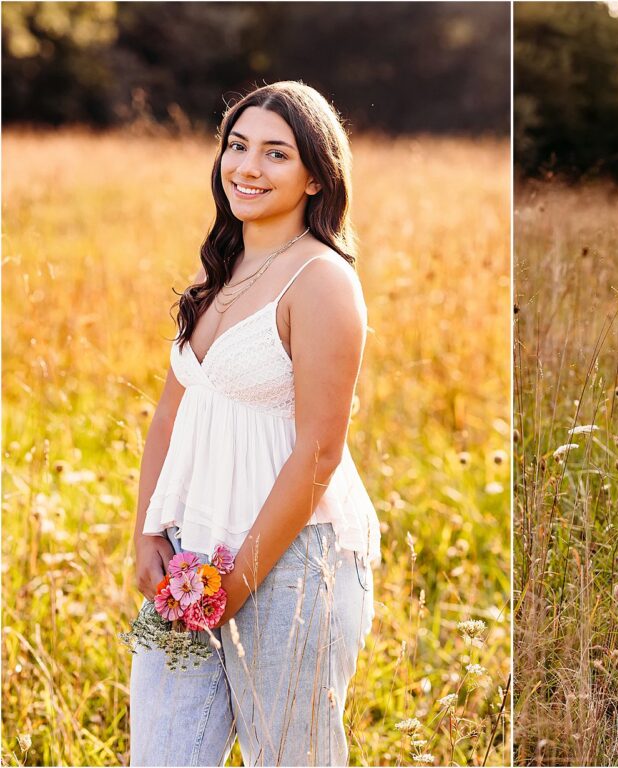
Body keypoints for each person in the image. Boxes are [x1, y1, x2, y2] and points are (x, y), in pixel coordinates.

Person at [129, 81, 381, 766]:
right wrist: (149, 528)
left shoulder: (322, 281)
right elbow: (172, 410)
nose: (246, 167)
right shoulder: (225, 267)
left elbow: (320, 452)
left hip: (292, 564)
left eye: (275, 154)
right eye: (237, 146)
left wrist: (234, 585)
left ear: (314, 177)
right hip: (189, 551)